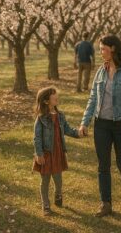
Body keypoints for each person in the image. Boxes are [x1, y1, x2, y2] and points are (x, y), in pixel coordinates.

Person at [79, 35, 121, 217]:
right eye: (99, 49)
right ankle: (106, 203)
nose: (100, 52)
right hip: (102, 125)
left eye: (103, 48)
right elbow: (92, 99)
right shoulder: (100, 71)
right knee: (103, 165)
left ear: (113, 48)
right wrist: (85, 121)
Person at [33, 86, 81, 216]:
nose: (57, 99)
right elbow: (37, 138)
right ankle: (46, 205)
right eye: (54, 98)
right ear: (46, 101)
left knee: (58, 180)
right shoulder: (41, 118)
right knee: (45, 181)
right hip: (46, 154)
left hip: (58, 153)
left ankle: (58, 195)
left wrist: (78, 133)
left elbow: (67, 129)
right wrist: (39, 154)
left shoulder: (60, 116)